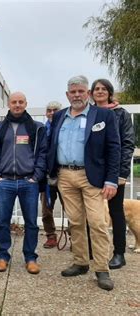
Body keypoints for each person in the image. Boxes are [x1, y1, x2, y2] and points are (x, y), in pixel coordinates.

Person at [47, 75, 120, 291]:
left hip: (93, 177)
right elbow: (51, 144)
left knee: (97, 223)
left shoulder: (103, 115)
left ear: (87, 93)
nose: (77, 95)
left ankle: (102, 269)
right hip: (65, 176)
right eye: (73, 92)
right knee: (76, 222)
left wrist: (111, 180)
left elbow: (114, 149)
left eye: (81, 91)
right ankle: (80, 262)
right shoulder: (59, 116)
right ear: (67, 95)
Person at [0, 92, 47, 275]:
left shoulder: (37, 128)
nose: (17, 105)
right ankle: (3, 256)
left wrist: (36, 176)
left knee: (31, 223)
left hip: (29, 182)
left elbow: (43, 153)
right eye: (14, 102)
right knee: (2, 221)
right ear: (9, 104)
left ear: (26, 104)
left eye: (21, 102)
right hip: (5, 182)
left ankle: (30, 258)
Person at [90, 78, 134, 269]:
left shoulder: (121, 114)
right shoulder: (88, 113)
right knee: (90, 211)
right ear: (91, 93)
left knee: (116, 212)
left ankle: (119, 253)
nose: (99, 91)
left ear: (109, 92)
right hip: (93, 170)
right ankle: (91, 249)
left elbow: (127, 144)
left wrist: (121, 173)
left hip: (114, 171)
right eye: (96, 89)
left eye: (103, 89)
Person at [40, 101, 63, 249]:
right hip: (46, 175)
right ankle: (50, 235)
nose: (52, 113)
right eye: (49, 110)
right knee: (46, 208)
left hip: (64, 173)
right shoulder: (42, 130)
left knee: (71, 209)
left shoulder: (65, 128)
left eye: (55, 110)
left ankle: (74, 236)